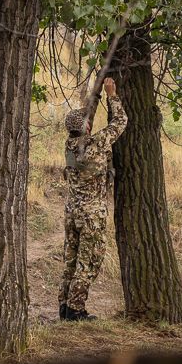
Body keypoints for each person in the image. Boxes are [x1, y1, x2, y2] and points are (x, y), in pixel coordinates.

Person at [58, 76, 127, 321]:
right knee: (89, 262)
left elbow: (83, 121)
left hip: (72, 211)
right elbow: (120, 122)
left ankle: (64, 307)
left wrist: (94, 96)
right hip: (91, 213)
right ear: (87, 127)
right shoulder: (97, 143)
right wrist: (112, 95)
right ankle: (76, 310)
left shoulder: (70, 145)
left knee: (71, 260)